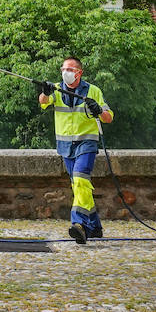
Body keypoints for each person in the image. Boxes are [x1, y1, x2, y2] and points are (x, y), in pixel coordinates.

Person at [38, 56, 113, 244]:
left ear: (79, 73)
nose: (66, 73)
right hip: (65, 146)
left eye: (70, 70)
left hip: (86, 143)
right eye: (64, 69)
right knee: (80, 186)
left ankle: (78, 224)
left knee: (80, 180)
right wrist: (45, 92)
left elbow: (109, 117)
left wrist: (99, 110)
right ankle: (94, 227)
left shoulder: (93, 91)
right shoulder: (56, 89)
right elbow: (43, 102)